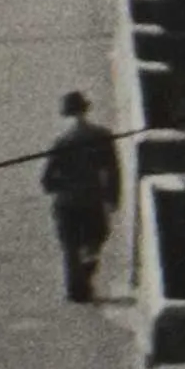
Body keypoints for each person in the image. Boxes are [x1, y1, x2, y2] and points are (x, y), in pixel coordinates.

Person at [40, 92, 126, 304]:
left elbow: (47, 178)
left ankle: (76, 290)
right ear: (86, 110)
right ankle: (86, 272)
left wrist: (58, 187)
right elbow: (113, 170)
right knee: (94, 239)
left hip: (67, 201)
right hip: (92, 199)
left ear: (65, 114)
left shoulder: (61, 141)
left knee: (69, 246)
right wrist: (113, 197)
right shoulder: (102, 135)